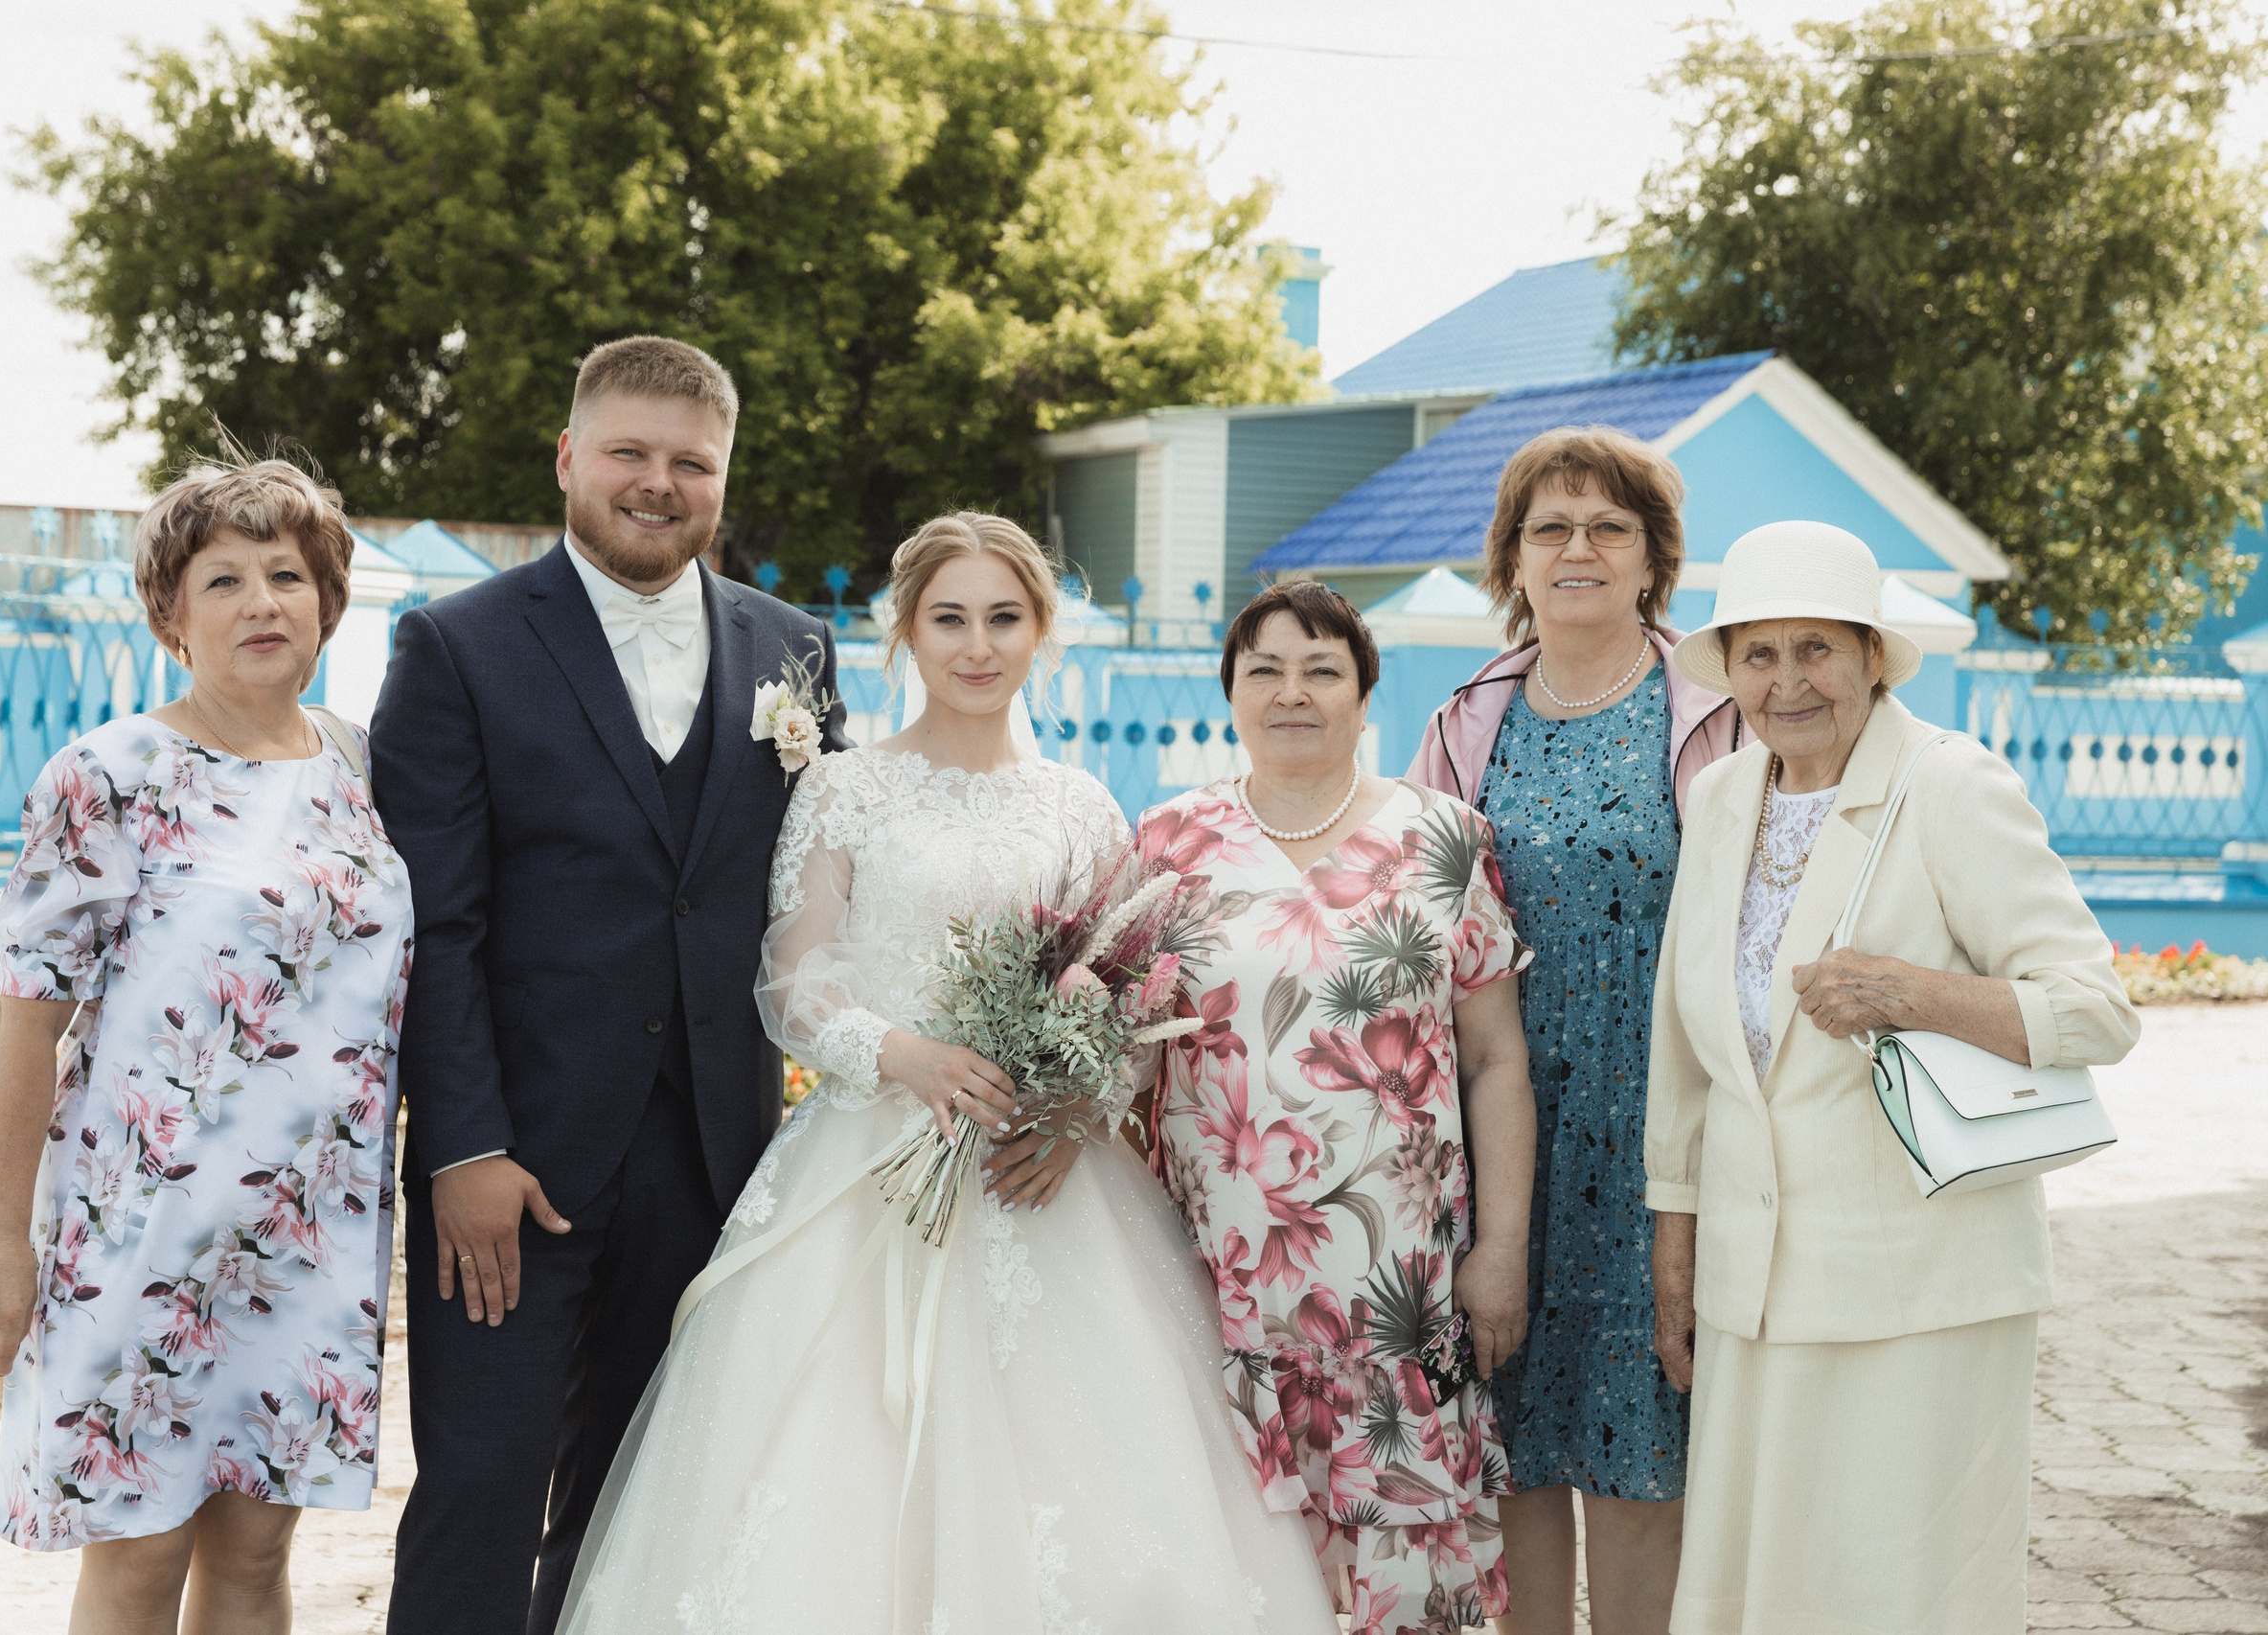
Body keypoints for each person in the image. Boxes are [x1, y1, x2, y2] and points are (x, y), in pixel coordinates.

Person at [554, 514, 1338, 1634]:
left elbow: (1120, 983)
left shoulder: (1078, 803)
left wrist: (1074, 1107)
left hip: (1037, 1171)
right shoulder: (840, 788)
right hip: (868, 1161)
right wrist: (905, 1054)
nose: (978, 645)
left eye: (1004, 618)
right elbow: (792, 978)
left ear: (1041, 632)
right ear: (906, 633)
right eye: (950, 618)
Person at [371, 336, 848, 1634]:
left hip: (715, 1161)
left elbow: (843, 884)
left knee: (651, 1502)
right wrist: (462, 1142)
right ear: (571, 457)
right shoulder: (456, 646)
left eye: (690, 462)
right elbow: (435, 924)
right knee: (481, 1491)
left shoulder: (793, 649)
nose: (658, 481)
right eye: (630, 452)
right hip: (513, 1170)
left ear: (722, 475)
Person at [1644, 520, 2139, 1632]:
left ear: (1873, 654)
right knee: (1753, 1579)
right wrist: (1674, 1239)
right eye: (1759, 655)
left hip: (1922, 1282)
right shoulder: (1720, 795)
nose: (1788, 682)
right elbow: (1688, 1048)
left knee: (1893, 1586)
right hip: (1752, 1278)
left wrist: (1907, 992)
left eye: (1815, 648)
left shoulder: (1950, 783)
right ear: (1729, 674)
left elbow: (2096, 1008)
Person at [0, 456, 413, 1633]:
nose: (262, 601)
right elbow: (23, 1016)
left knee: (256, 1561)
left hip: (310, 1237)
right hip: (139, 1231)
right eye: (224, 579)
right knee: (138, 1565)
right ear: (170, 613)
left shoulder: (367, 772)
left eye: (286, 575)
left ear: (326, 603)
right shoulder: (111, 776)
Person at [1141, 580, 1538, 1632]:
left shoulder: (1443, 837)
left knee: (1398, 1590)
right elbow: (1128, 1063)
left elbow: (1496, 1059)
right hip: (1223, 1283)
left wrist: (1499, 1246)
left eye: (1322, 669)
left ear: (1367, 696)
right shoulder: (1166, 844)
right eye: (1264, 669)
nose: (1292, 692)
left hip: (1394, 1292)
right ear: (1229, 691)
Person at [1403, 426, 1739, 1633]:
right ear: (1514, 559)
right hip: (1502, 1131)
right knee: (1516, 1452)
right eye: (1550, 527)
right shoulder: (1465, 720)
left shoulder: (1716, 712)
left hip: (1659, 1132)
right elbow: (1414, 927)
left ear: (1652, 558)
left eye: (1609, 526)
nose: (1578, 547)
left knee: (1643, 1453)